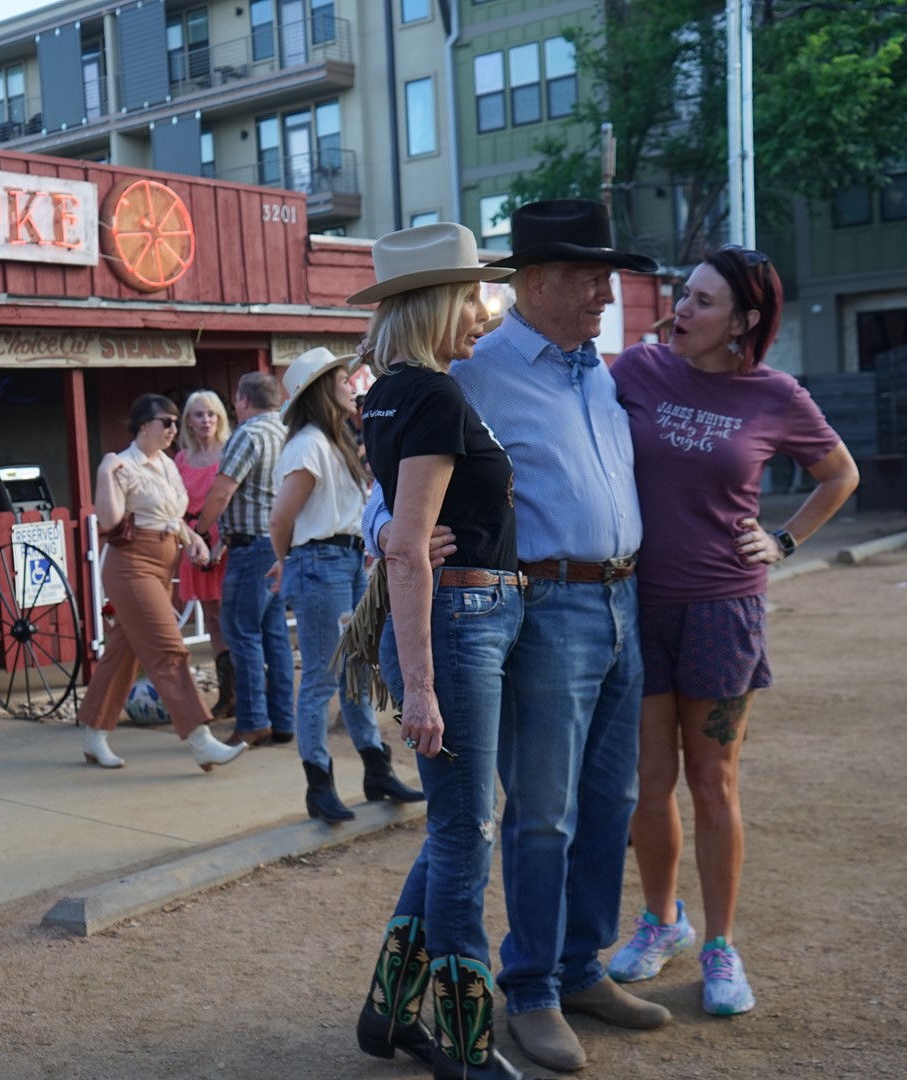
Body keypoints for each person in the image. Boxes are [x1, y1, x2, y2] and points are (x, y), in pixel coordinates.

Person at [363, 200, 670, 1072]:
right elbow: (384, 491)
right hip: (537, 606)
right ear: (536, 282)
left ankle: (577, 967)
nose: (605, 294)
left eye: (607, 278)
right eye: (588, 278)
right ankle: (530, 988)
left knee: (608, 801)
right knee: (537, 816)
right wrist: (391, 534)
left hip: (620, 598)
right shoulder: (471, 370)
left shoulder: (600, 373)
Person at [607, 246, 859, 1016]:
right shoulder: (637, 370)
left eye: (703, 301)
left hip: (723, 607)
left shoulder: (776, 395)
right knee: (649, 780)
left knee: (713, 783)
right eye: (684, 294)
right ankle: (662, 921)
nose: (682, 308)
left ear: (744, 321)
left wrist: (783, 540)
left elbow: (840, 474)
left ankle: (720, 945)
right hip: (637, 603)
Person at [344, 222, 528, 1080]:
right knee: (464, 835)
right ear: (434, 304)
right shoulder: (434, 396)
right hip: (458, 623)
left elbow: (401, 536)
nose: (483, 314)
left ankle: (388, 1013)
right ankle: (464, 1043)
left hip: (460, 619)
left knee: (455, 826)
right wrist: (419, 688)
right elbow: (409, 550)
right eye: (472, 298)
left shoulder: (392, 393)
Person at [265, 347, 422, 823]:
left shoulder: (328, 442)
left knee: (354, 669)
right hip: (322, 561)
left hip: (340, 560)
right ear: (319, 391)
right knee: (322, 676)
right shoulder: (310, 445)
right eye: (338, 379)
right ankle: (322, 783)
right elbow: (281, 517)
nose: (349, 384)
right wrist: (285, 560)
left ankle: (373, 770)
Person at [76, 395, 248, 773]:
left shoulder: (168, 463)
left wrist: (193, 538)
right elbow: (109, 520)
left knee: (122, 653)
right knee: (169, 647)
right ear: (142, 425)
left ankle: (92, 734)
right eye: (165, 422)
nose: (173, 428)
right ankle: (201, 739)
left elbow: (171, 517)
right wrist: (104, 471)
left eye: (175, 421)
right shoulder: (123, 465)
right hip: (131, 565)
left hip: (162, 562)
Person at [193, 371, 294, 748]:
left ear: (243, 400)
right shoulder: (286, 430)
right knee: (275, 633)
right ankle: (282, 719)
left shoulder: (248, 434)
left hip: (250, 545)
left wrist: (202, 529)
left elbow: (222, 492)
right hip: (279, 542)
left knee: (241, 631)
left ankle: (253, 721)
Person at [173, 389, 234, 720]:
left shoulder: (229, 452)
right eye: (199, 414)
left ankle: (249, 691)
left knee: (233, 618)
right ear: (189, 422)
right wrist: (190, 542)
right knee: (212, 619)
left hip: (226, 545)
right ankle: (228, 694)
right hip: (195, 545)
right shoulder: (181, 460)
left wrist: (220, 544)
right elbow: (173, 506)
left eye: (211, 413)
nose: (206, 420)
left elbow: (234, 500)